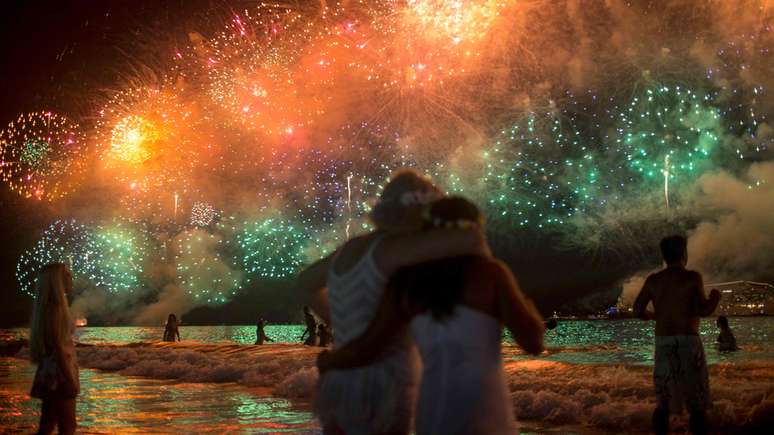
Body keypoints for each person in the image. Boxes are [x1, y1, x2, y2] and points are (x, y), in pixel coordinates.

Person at [317, 197, 544, 435]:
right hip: (485, 412)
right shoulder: (490, 273)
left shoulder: (407, 283)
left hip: (431, 415)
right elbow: (533, 342)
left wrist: (329, 361)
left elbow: (367, 348)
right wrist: (525, 303)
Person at [297, 169, 491, 435]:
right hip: (387, 380)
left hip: (340, 381)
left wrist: (338, 319)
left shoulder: (350, 249)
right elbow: (466, 242)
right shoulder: (397, 248)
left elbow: (304, 283)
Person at [633, 235, 721, 435]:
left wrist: (656, 315)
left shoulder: (653, 280)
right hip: (688, 340)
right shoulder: (691, 277)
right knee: (696, 403)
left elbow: (637, 310)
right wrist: (715, 297)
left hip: (663, 341)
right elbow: (704, 310)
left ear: (664, 256)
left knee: (662, 402)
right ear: (684, 253)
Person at [29, 263, 79, 435]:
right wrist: (69, 379)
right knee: (68, 427)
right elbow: (59, 348)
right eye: (66, 275)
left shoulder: (48, 308)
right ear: (56, 281)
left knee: (47, 425)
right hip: (59, 375)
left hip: (49, 372)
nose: (71, 277)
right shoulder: (56, 308)